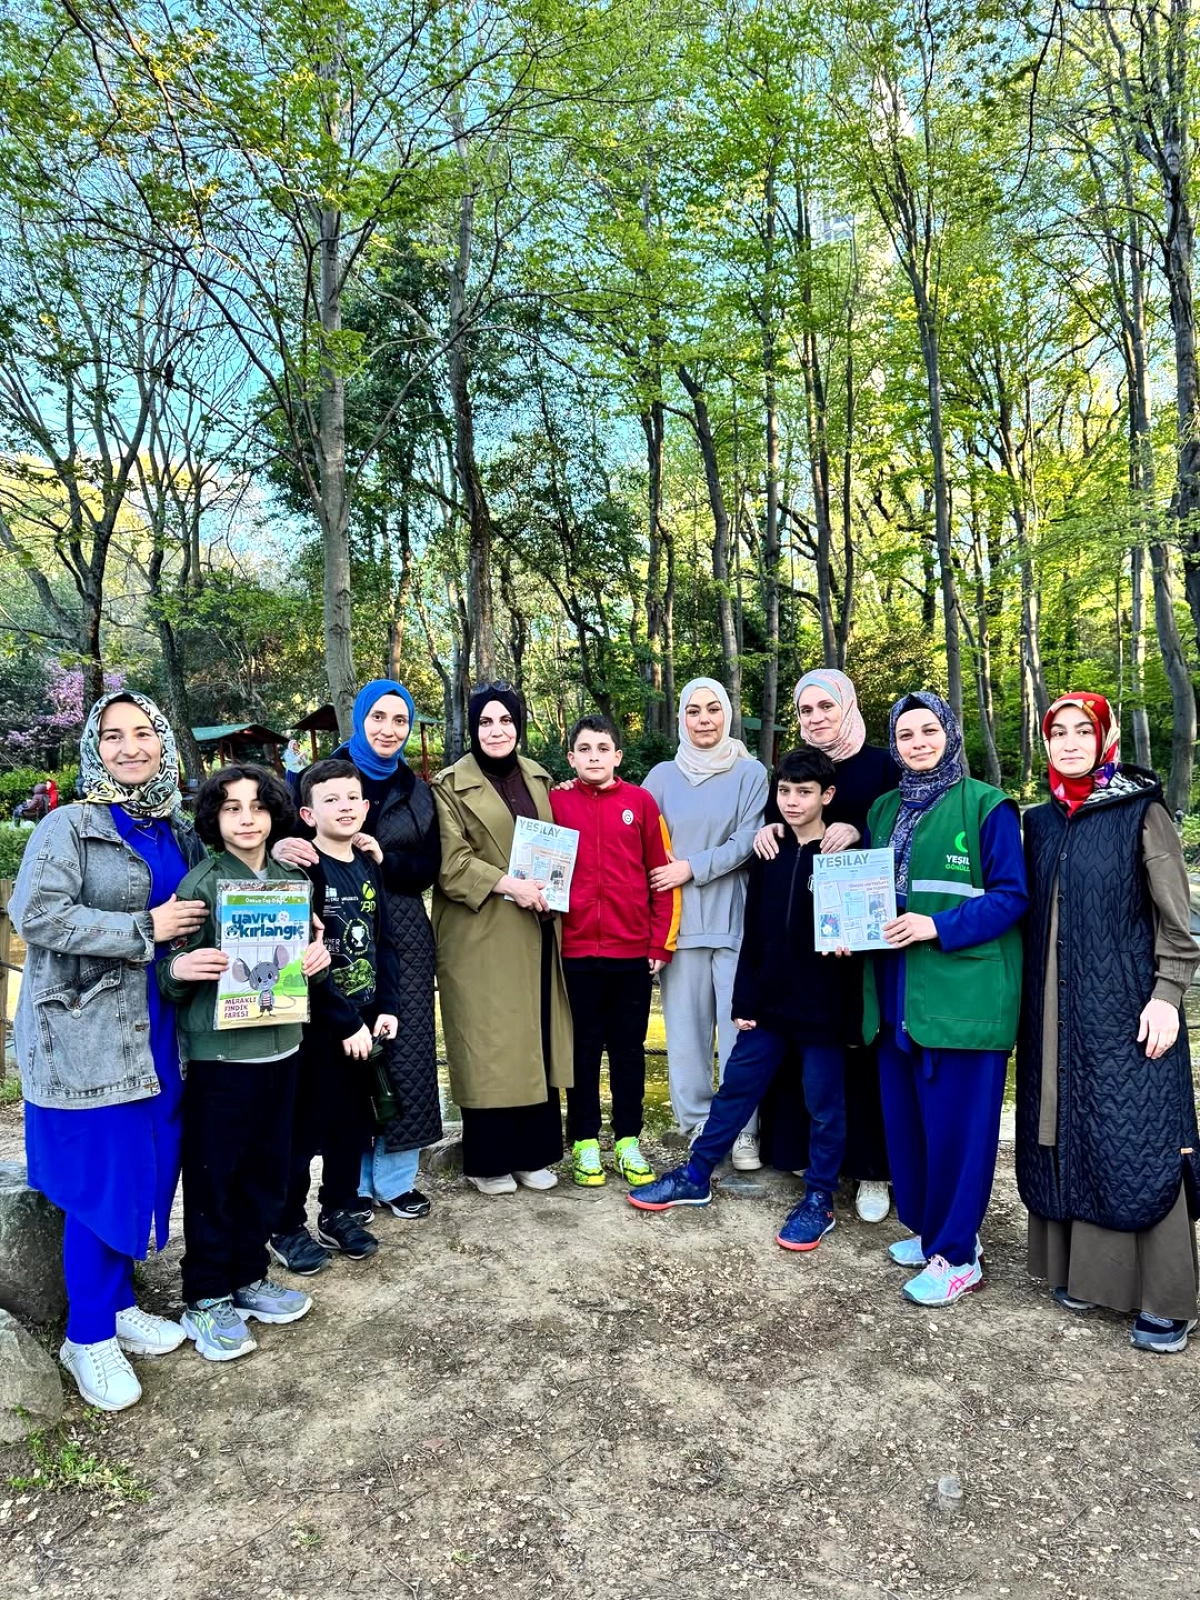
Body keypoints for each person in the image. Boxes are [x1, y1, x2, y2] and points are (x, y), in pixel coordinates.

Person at [11, 692, 209, 1411]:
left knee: (145, 1172)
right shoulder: (69, 826)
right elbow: (35, 915)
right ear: (95, 747)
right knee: (102, 1179)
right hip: (87, 1037)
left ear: (163, 742)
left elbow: (215, 892)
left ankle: (118, 1303)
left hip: (160, 1028)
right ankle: (87, 1336)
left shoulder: (175, 828)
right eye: (113, 736)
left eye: (143, 733)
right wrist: (144, 927)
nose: (130, 747)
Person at [1018, 694, 1200, 1353]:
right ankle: (1085, 1275)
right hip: (1053, 1011)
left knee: (1138, 1140)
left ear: (1105, 739)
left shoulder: (1142, 813)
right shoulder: (1040, 822)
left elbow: (1179, 922)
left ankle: (1167, 1300)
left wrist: (1167, 995)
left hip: (1129, 1007)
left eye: (1082, 731)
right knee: (1070, 1128)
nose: (1069, 743)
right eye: (1057, 733)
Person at [630, 750, 859, 1252]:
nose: (793, 801)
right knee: (736, 1088)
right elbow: (751, 933)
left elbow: (861, 934)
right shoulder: (768, 852)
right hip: (769, 1005)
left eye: (804, 792)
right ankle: (696, 1175)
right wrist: (744, 1000)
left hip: (822, 1006)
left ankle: (819, 1198)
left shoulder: (845, 855)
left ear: (827, 796)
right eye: (785, 791)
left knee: (824, 1106)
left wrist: (848, 1004)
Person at [862, 691, 1026, 1306]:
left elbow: (1012, 896)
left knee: (959, 1128)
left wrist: (938, 925)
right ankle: (933, 1230)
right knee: (909, 1123)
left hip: (964, 994)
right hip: (896, 989)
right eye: (905, 735)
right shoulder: (883, 808)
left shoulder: (988, 806)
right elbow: (870, 892)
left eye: (929, 730)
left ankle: (958, 1255)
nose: (918, 743)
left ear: (950, 733)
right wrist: (847, 929)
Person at [159, 765, 329, 1360]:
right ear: (214, 818)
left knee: (267, 1170)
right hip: (222, 1058)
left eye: (257, 806)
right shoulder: (201, 885)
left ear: (275, 814)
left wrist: (317, 959)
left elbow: (307, 961)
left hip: (283, 1047)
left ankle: (249, 1276)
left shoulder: (292, 882)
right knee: (216, 1177)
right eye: (232, 808)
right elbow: (168, 976)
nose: (247, 818)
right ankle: (206, 1296)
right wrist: (181, 969)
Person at [274, 679, 441, 1231]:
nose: (389, 729)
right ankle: (349, 1188)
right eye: (378, 717)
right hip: (329, 944)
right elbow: (277, 839)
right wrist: (279, 846)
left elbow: (430, 866)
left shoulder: (417, 790)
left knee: (403, 1053)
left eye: (400, 719)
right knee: (338, 1065)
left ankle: (395, 1179)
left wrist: (384, 858)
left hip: (397, 934)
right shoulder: (322, 776)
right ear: (361, 719)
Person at [753, 668, 900, 1222]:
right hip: (803, 942)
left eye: (825, 707)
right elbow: (781, 822)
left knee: (861, 1048)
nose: (815, 718)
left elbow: (904, 829)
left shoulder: (883, 765)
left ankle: (871, 1170)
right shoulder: (796, 767)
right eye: (805, 710)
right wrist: (767, 830)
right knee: (803, 1049)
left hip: (862, 939)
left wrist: (860, 830)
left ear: (848, 705)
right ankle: (803, 1157)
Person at [431, 683, 572, 1194]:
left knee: (534, 1037)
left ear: (518, 725)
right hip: (482, 931)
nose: (497, 731)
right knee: (490, 1043)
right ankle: (489, 1161)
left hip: (537, 927)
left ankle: (534, 1155)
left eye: (506, 721)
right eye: (486, 722)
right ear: (473, 729)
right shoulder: (449, 785)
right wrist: (511, 884)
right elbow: (451, 863)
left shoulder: (539, 777)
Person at [271, 759, 401, 1264]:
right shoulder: (302, 869)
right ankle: (286, 1225)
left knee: (353, 1123)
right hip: (317, 1025)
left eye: (352, 798)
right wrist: (342, 1021)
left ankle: (340, 1210)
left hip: (363, 1022)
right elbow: (300, 957)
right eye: (330, 800)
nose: (344, 807)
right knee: (304, 1128)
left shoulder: (369, 863)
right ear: (307, 814)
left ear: (365, 808)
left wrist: (386, 1006)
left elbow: (384, 941)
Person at [548, 713, 679, 1188]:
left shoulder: (640, 803)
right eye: (584, 749)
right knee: (581, 1050)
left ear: (618, 756)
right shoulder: (556, 802)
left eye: (603, 749)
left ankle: (627, 1140)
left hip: (631, 954)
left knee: (628, 1050)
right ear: (571, 758)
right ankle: (584, 1141)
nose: (594, 757)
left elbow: (662, 877)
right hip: (576, 951)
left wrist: (660, 942)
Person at [642, 678, 768, 1166]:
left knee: (741, 1035)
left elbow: (749, 841)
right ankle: (697, 1125)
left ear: (727, 714)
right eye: (693, 711)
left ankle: (743, 1131)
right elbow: (635, 833)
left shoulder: (750, 773)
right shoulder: (661, 778)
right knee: (686, 1036)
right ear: (681, 718)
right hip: (678, 925)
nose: (704, 719)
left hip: (735, 921)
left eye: (713, 709)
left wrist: (691, 867)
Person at [282, 738, 305, 802]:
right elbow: (292, 762)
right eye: (294, 744)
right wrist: (300, 755)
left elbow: (306, 764)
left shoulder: (298, 753)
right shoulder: (288, 753)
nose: (296, 745)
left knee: (300, 790)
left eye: (296, 744)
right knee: (293, 790)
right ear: (291, 745)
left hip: (300, 774)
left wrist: (303, 757)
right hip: (292, 774)